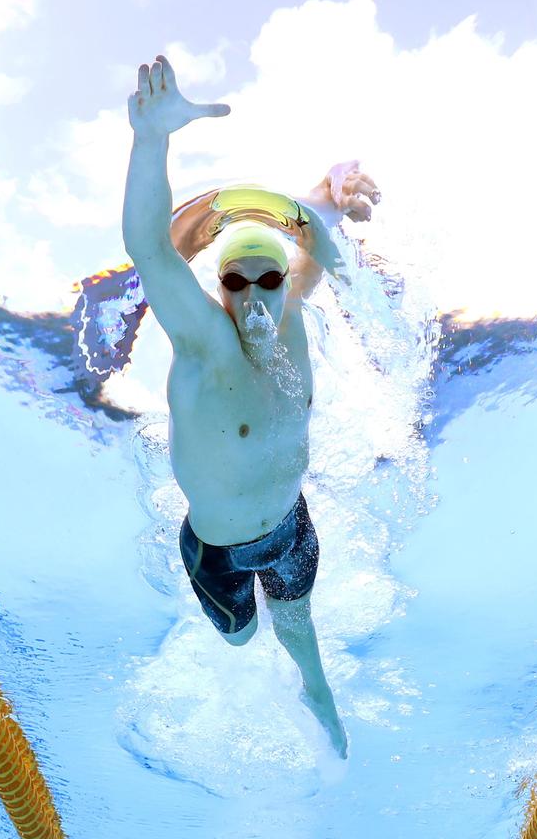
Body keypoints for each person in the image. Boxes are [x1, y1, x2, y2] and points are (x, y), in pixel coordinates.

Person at [123, 55, 380, 759]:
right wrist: (153, 140)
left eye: (269, 277)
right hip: (220, 552)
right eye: (238, 279)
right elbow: (149, 247)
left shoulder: (293, 306)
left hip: (291, 526)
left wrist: (333, 182)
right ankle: (229, 616)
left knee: (303, 644)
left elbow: (310, 227)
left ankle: (320, 702)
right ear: (220, 283)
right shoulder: (204, 340)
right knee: (241, 641)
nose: (257, 295)